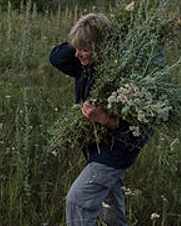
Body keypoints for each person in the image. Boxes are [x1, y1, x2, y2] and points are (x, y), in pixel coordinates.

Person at [49, 13, 148, 225]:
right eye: (76, 48)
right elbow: (56, 57)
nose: (77, 55)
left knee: (78, 200)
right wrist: (89, 28)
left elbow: (140, 131)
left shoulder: (124, 77)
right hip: (96, 149)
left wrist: (106, 119)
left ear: (101, 48)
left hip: (114, 153)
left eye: (84, 49)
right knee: (112, 210)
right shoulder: (85, 66)